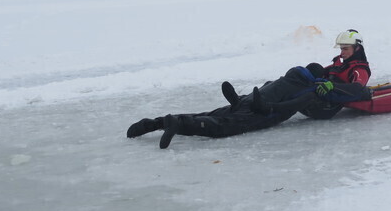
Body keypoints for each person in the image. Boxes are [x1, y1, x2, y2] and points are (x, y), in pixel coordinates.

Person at [126, 29, 372, 149]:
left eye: (345, 49)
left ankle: (263, 104)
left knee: (302, 92)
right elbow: (323, 74)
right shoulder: (338, 63)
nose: (341, 52)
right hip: (301, 97)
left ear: (356, 49)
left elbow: (358, 91)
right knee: (225, 116)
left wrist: (330, 86)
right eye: (340, 48)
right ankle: (162, 122)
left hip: (323, 103)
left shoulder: (359, 68)